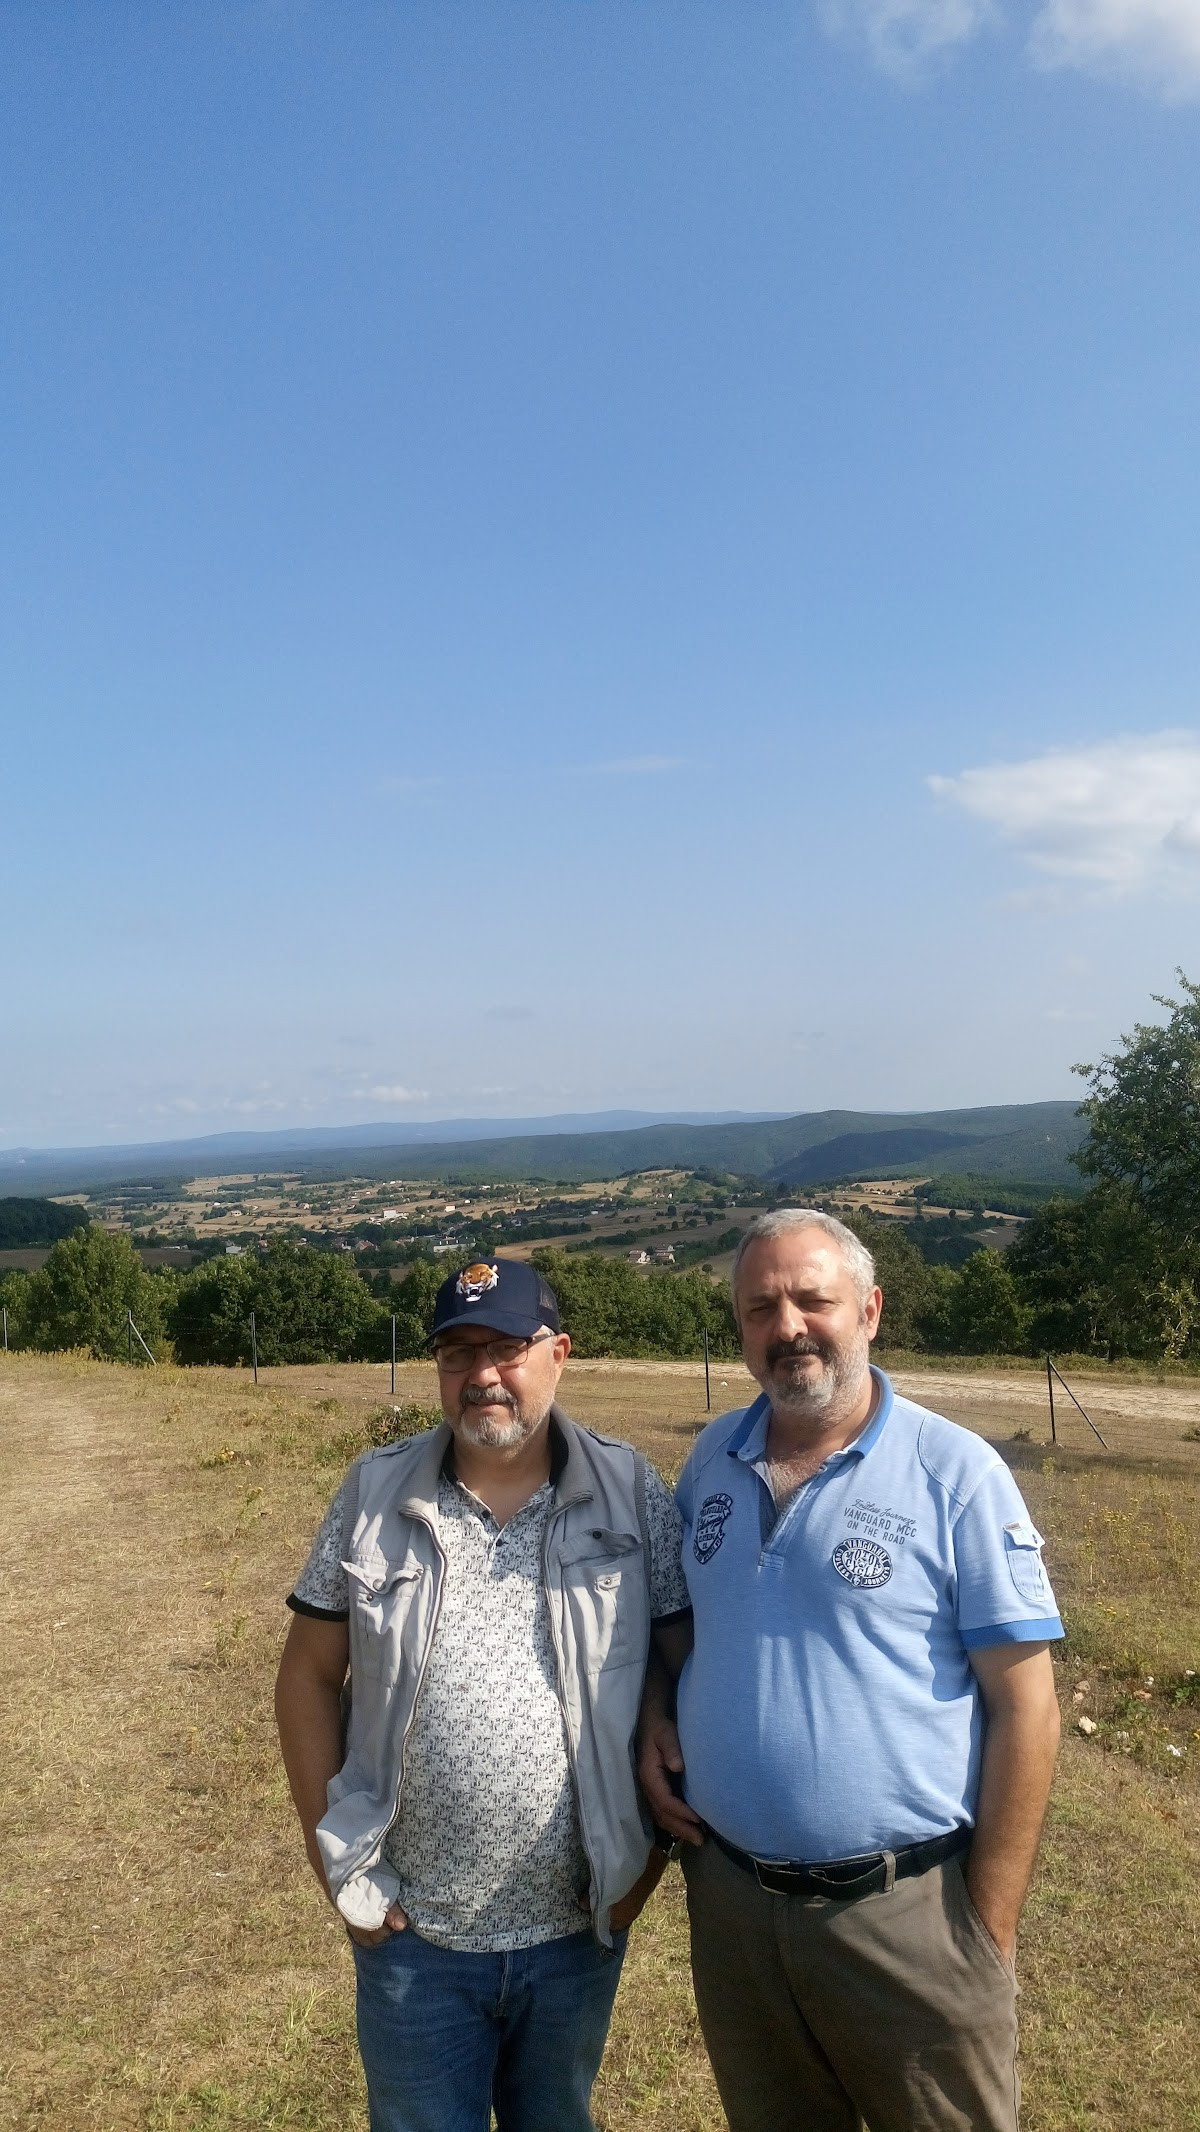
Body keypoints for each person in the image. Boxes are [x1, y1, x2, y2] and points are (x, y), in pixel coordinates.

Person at [640, 1207, 1063, 2132]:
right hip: (735, 1911)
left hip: (906, 1914)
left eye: (812, 1300)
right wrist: (656, 1714)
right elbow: (688, 1633)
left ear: (869, 1310)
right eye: (761, 1307)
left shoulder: (956, 1474)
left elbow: (1026, 1707)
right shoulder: (712, 1460)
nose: (788, 1326)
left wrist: (984, 1928)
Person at [275, 1254, 690, 2132]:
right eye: (457, 1353)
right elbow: (308, 1679)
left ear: (559, 1353)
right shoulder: (372, 1492)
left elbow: (682, 1666)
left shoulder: (632, 1492)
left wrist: (638, 1877)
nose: (482, 1377)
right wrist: (338, 1871)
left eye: (506, 1347)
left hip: (578, 1932)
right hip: (413, 1940)